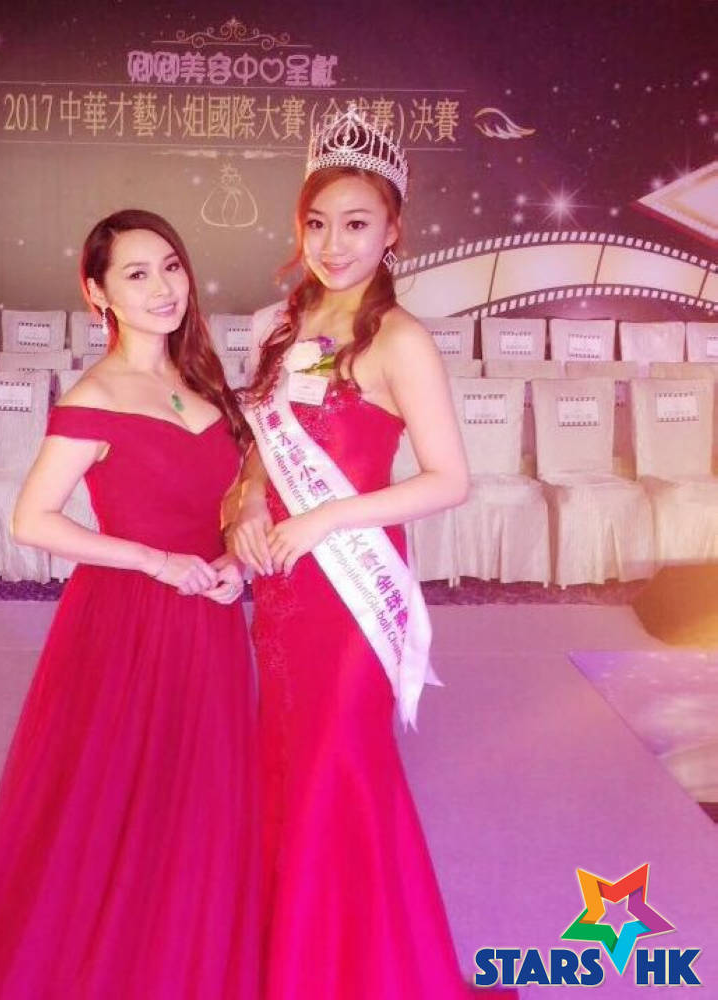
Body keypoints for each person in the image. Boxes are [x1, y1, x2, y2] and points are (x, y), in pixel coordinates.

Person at [0, 209, 257, 999]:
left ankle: (187, 955)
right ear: (96, 294)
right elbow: (33, 519)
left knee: (198, 798)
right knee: (115, 804)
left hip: (208, 615)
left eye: (171, 266)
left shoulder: (203, 381)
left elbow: (235, 497)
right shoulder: (93, 397)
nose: (163, 287)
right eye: (136, 274)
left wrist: (234, 560)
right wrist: (154, 561)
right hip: (127, 623)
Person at [226, 107, 511, 997]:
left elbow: (448, 480)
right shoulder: (281, 324)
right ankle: (298, 956)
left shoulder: (401, 340)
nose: (331, 245)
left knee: (339, 766)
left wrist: (326, 520)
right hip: (282, 589)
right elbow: (257, 447)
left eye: (355, 224)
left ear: (392, 230)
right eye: (315, 224)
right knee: (284, 759)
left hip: (350, 590)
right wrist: (244, 498)